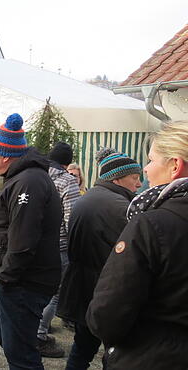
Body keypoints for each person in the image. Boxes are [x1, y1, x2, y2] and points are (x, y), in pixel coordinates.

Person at [87, 121, 188, 369]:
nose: (146, 169)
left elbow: (107, 315)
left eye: (151, 160)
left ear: (175, 165)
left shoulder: (152, 224)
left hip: (151, 356)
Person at [0, 114, 62, 370]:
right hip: (18, 283)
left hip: (22, 284)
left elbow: (23, 239)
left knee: (21, 355)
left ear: (4, 155)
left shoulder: (28, 181)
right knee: (13, 346)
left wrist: (5, 279)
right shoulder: (23, 179)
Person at [57, 148, 142, 370]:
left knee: (83, 347)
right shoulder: (119, 207)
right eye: (135, 177)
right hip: (105, 290)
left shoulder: (90, 198)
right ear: (117, 178)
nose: (139, 184)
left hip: (83, 287)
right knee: (116, 351)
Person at [36, 142, 81, 358]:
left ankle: (31, 331)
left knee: (35, 290)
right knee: (54, 294)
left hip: (33, 245)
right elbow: (71, 219)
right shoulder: (67, 181)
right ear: (66, 163)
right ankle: (39, 336)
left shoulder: (35, 175)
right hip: (58, 246)